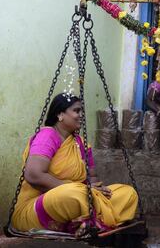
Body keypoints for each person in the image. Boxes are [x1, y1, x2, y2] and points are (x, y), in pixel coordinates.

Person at [12, 93, 138, 236]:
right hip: (39, 207)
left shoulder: (81, 143)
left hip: (80, 196)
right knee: (74, 194)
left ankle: (85, 223)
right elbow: (33, 175)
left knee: (127, 193)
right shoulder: (48, 135)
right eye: (77, 111)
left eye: (82, 111)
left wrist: (99, 190)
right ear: (60, 115)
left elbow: (93, 179)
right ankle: (92, 221)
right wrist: (81, 188)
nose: (81, 115)